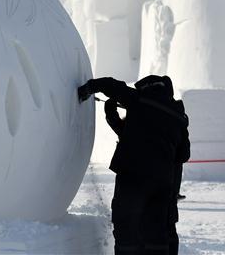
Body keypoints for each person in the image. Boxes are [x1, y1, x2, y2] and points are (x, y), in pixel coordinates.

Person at [78, 75, 189, 255]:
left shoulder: (139, 100)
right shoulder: (178, 116)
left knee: (126, 228)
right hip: (162, 184)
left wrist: (88, 88)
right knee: (155, 232)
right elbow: (183, 154)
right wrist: (114, 119)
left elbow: (111, 85)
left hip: (133, 177)